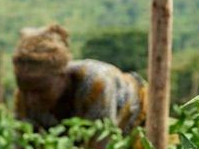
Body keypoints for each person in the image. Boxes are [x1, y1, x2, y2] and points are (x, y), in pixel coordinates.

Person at [13, 23, 146, 137]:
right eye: (25, 91)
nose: (31, 100)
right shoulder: (24, 96)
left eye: (40, 91)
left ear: (62, 75)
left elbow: (99, 146)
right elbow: (23, 147)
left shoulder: (95, 82)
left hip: (139, 120)